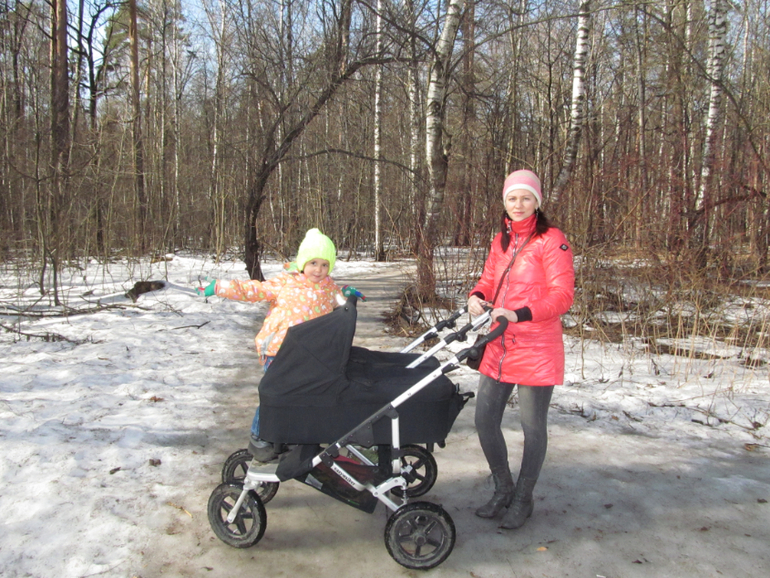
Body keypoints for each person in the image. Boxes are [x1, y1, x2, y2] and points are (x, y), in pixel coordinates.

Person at [467, 169, 574, 530]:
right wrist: (477, 295)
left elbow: (562, 295)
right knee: (484, 420)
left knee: (532, 427)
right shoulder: (501, 241)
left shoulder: (552, 240)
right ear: (505, 202)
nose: (518, 204)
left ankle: (524, 498)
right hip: (499, 343)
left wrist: (520, 313)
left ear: (537, 202)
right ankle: (503, 489)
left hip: (537, 346)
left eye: (526, 198)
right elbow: (489, 279)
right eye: (512, 198)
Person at [198, 228, 364, 460]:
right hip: (278, 351)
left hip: (308, 354)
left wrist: (347, 293)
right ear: (303, 262)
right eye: (313, 263)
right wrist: (220, 287)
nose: (318, 270)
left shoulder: (328, 288)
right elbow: (254, 290)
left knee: (300, 396)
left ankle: (291, 435)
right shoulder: (285, 282)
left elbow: (338, 299)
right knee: (275, 395)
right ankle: (260, 437)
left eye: (325, 264)